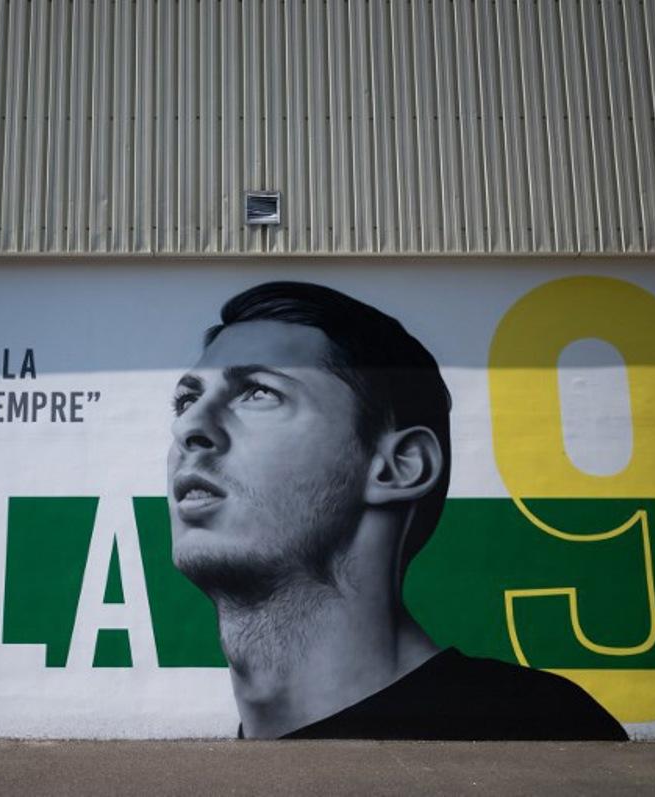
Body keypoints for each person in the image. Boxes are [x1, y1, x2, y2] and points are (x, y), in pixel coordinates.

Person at [166, 281, 627, 741]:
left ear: (399, 467)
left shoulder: (536, 730)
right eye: (187, 400)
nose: (188, 426)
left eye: (259, 392)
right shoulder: (244, 762)